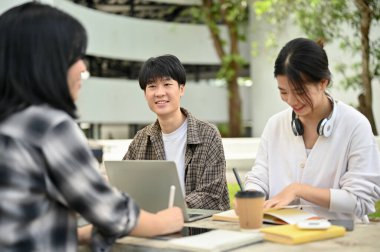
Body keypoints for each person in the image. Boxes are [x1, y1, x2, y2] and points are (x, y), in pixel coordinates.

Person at [0, 2, 183, 251]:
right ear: (46, 62)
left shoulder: (10, 124)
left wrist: (80, 234)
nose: (83, 67)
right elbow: (114, 213)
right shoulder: (49, 128)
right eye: (76, 57)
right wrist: (164, 221)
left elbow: (20, 225)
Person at [244, 38, 380, 222]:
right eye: (283, 92)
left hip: (340, 240)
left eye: (300, 92)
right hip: (282, 236)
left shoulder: (356, 126)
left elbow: (360, 201)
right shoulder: (275, 124)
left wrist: (298, 190)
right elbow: (259, 177)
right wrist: (251, 195)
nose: (291, 101)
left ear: (323, 83)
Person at [123, 54, 230, 211]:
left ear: (181, 89)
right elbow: (125, 184)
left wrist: (171, 208)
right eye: (152, 86)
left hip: (200, 229)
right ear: (145, 94)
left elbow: (210, 194)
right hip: (155, 228)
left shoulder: (208, 135)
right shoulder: (141, 139)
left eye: (167, 84)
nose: (159, 93)